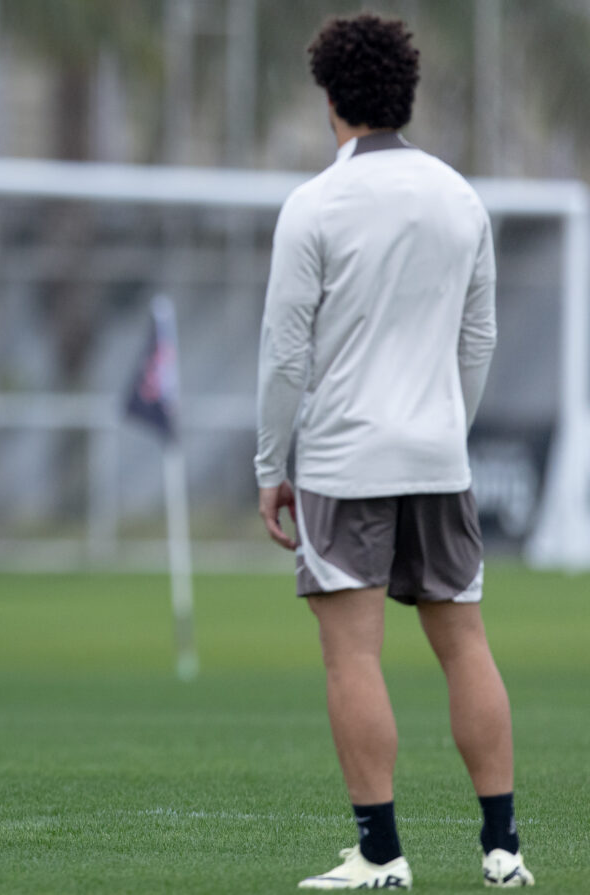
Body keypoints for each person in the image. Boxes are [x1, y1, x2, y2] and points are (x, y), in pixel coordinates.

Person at [254, 14, 534, 890]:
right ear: (405, 95)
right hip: (439, 457)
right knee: (466, 642)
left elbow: (284, 354)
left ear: (331, 98)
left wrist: (271, 466)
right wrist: (449, 422)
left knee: (355, 654)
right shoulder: (461, 196)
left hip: (344, 460)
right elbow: (479, 336)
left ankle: (381, 854)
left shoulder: (315, 204)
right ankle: (504, 849)